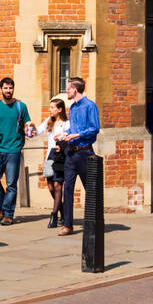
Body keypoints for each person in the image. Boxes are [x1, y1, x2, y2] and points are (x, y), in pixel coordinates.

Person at [0, 76, 35, 226]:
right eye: (6, 88)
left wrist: (30, 127)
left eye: (10, 88)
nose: (8, 90)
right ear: (1, 89)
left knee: (11, 184)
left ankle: (8, 214)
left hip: (14, 150)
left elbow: (28, 123)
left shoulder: (21, 107)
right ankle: (2, 205)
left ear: (13, 89)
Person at [59, 76, 100, 236]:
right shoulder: (73, 108)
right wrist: (64, 134)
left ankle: (95, 223)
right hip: (71, 152)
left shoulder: (90, 106)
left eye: (68, 88)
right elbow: (72, 129)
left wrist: (75, 135)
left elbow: (94, 128)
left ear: (74, 89)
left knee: (90, 189)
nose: (67, 91)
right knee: (67, 188)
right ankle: (68, 225)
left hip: (85, 152)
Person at [42, 98, 69, 228]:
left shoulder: (67, 124)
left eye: (53, 107)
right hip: (49, 158)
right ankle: (63, 212)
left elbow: (69, 140)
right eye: (50, 107)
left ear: (59, 109)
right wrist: (29, 129)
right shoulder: (49, 122)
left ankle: (53, 215)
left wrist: (62, 145)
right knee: (51, 187)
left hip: (60, 157)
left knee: (58, 185)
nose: (50, 110)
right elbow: (37, 131)